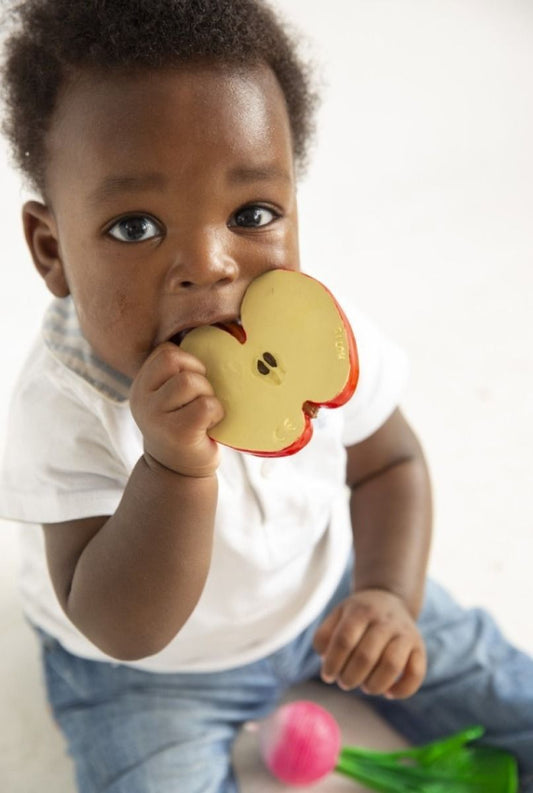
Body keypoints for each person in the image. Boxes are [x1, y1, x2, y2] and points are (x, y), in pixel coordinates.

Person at [0, 1, 531, 791]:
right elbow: (122, 626)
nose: (210, 264)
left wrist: (386, 594)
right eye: (136, 226)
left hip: (327, 590)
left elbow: (390, 464)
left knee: (507, 691)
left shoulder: (313, 331)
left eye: (252, 213)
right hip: (154, 680)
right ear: (53, 251)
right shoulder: (65, 407)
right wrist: (175, 469)